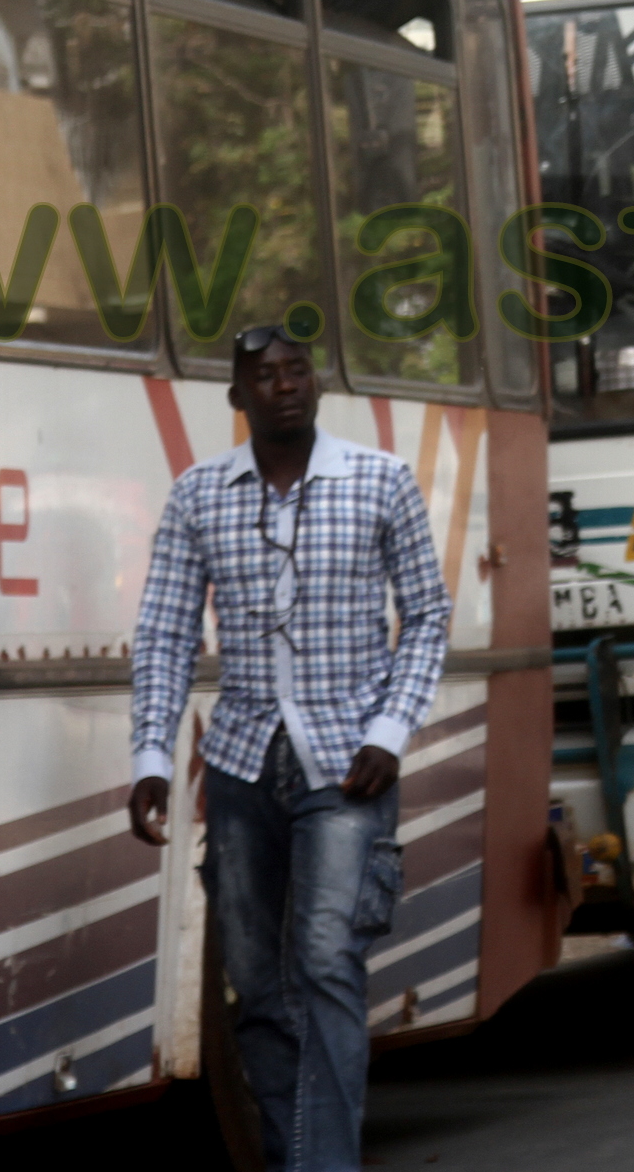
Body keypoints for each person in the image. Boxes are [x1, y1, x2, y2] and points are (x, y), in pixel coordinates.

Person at [126, 328, 451, 1172]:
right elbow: (164, 633)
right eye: (264, 376)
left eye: (297, 370)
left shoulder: (380, 480)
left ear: (316, 385)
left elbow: (427, 616)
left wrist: (390, 731)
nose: (284, 385)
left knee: (324, 962)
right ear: (238, 398)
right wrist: (152, 757)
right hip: (241, 767)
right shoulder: (199, 494)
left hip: (348, 766)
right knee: (260, 989)